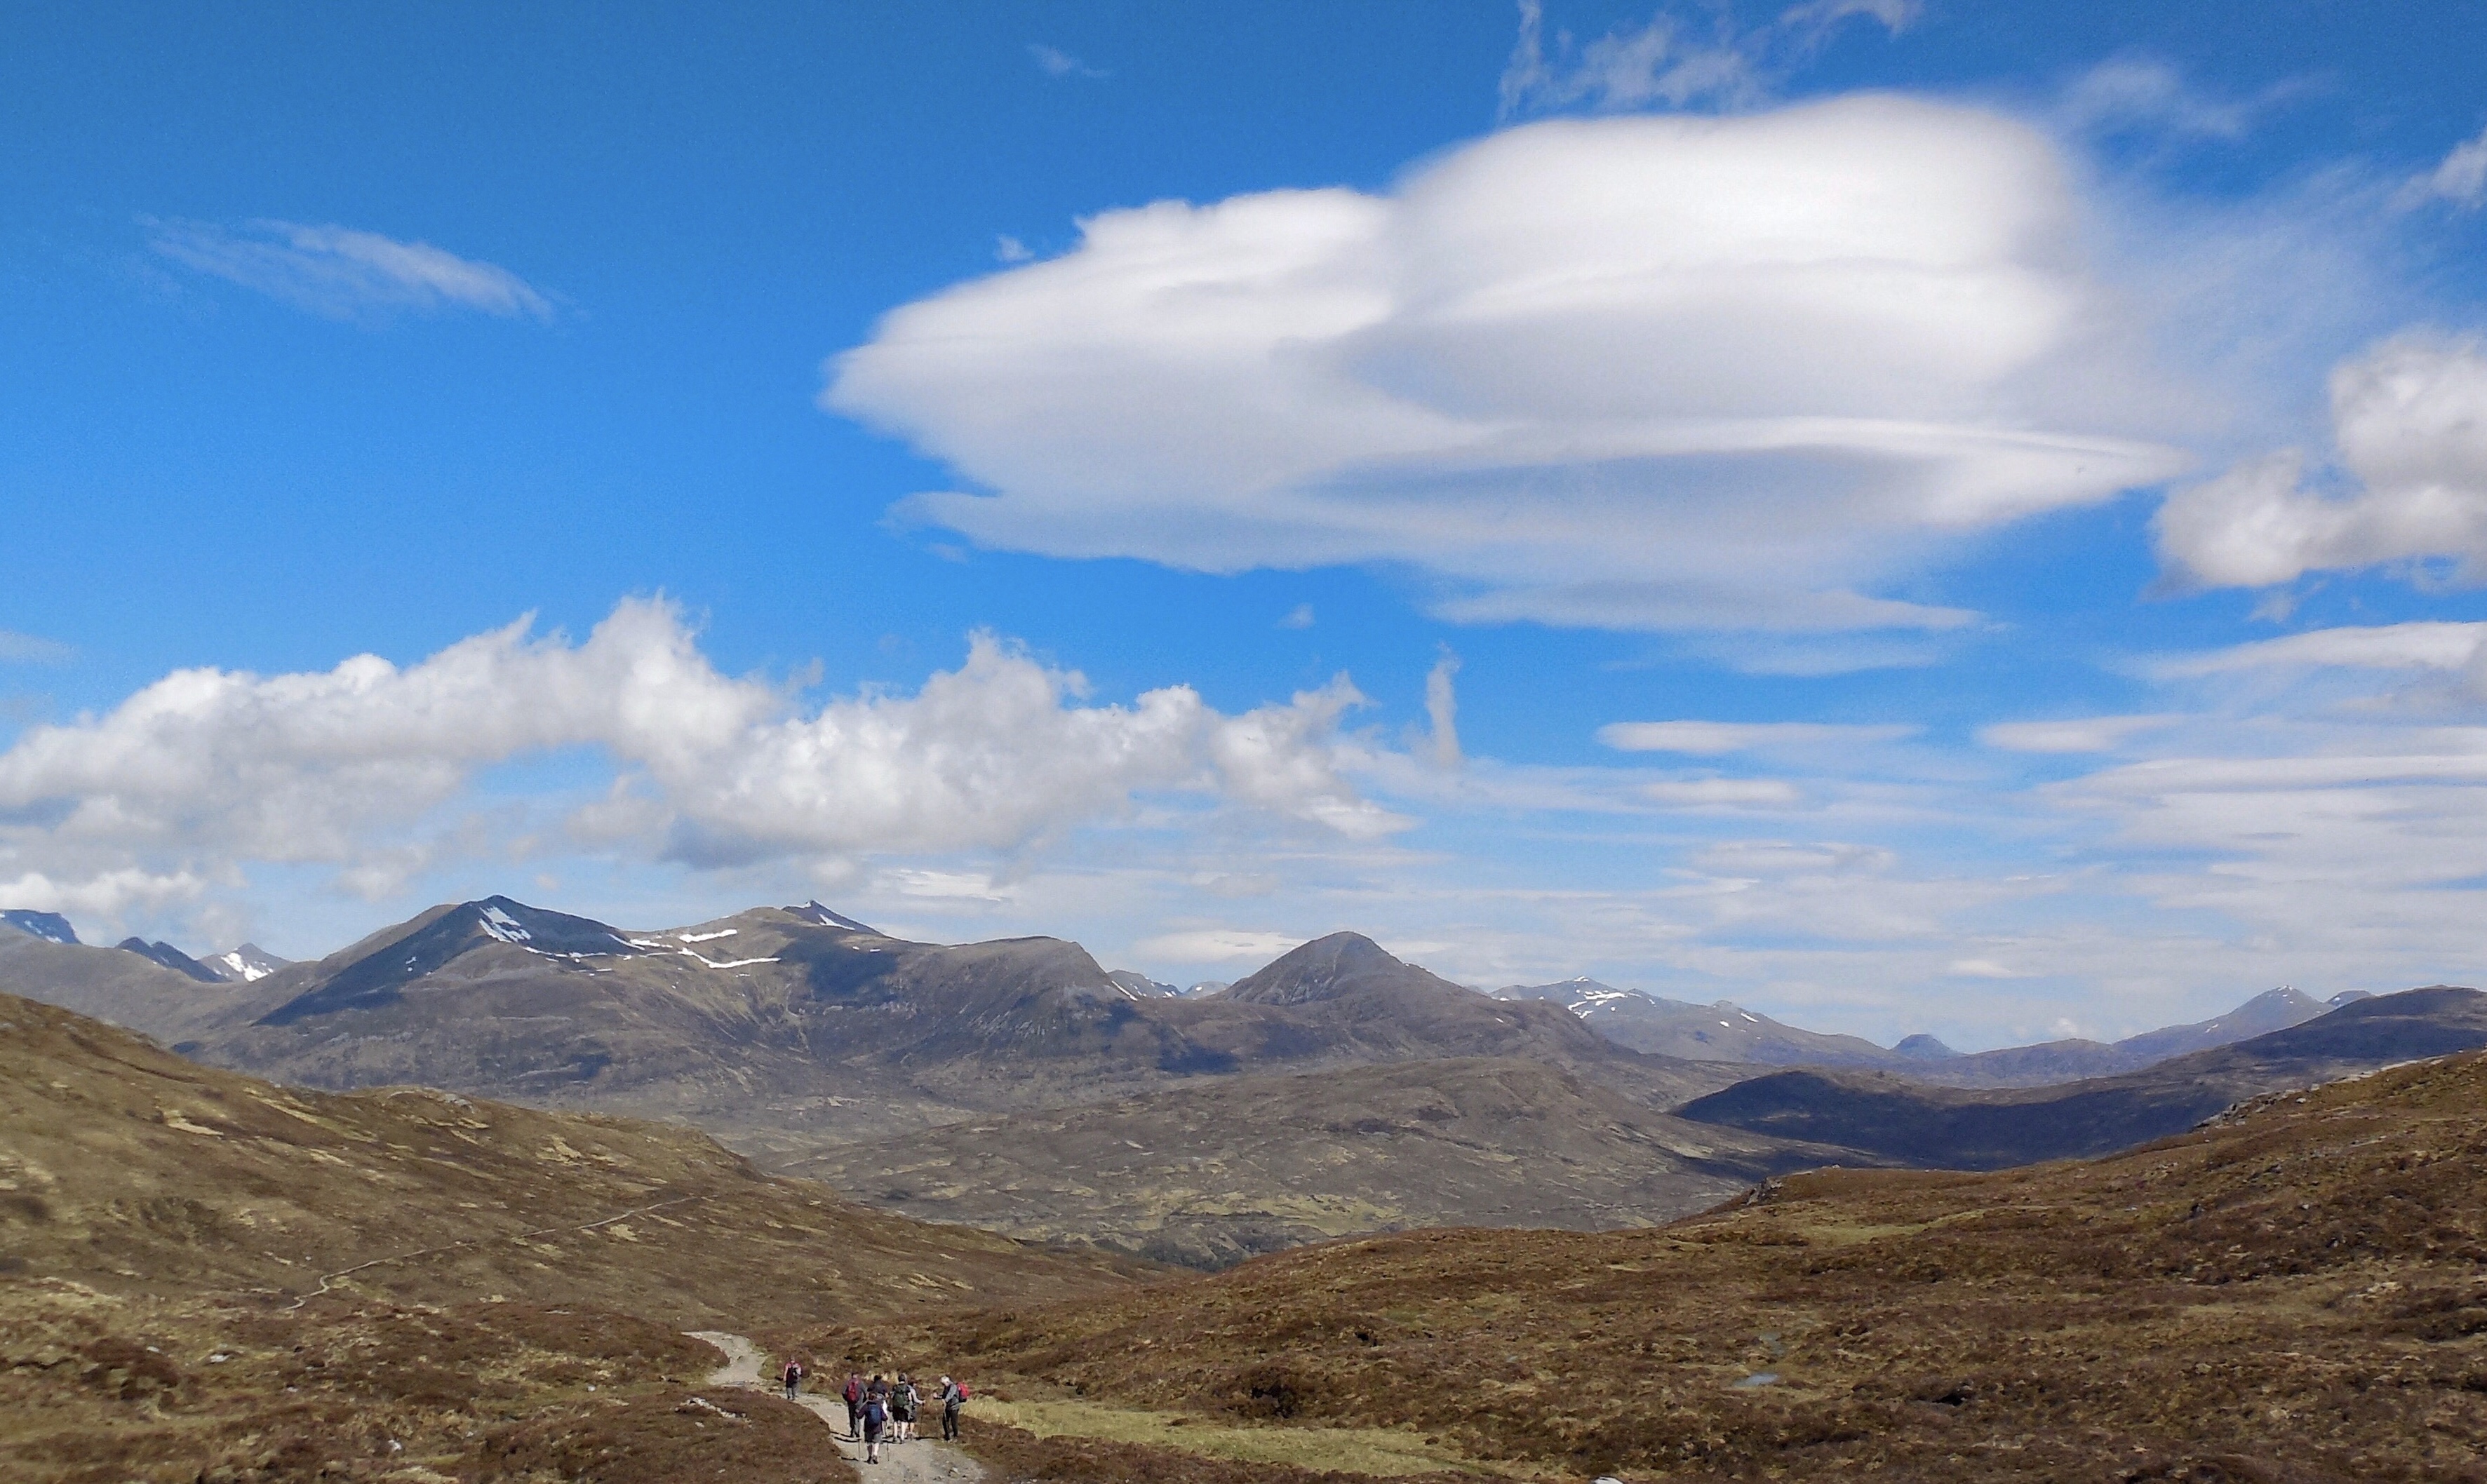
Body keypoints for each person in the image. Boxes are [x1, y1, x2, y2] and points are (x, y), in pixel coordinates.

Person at [862, 1389, 888, 1465]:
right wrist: (885, 1418)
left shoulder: (866, 1406)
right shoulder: (879, 1406)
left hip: (868, 1427)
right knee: (877, 1442)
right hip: (877, 1427)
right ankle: (875, 1454)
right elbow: (884, 1417)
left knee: (869, 1442)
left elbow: (859, 1415)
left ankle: (870, 1456)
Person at [937, 1375, 966, 1441]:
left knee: (954, 1422)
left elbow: (950, 1394)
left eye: (943, 1384)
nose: (943, 1385)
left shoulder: (953, 1387)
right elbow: (944, 1395)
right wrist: (938, 1397)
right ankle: (947, 1436)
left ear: (947, 1382)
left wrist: (945, 1400)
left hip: (954, 1407)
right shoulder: (946, 1387)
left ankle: (955, 1436)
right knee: (945, 1421)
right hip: (948, 1407)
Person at [893, 1373, 918, 1442]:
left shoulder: (895, 1387)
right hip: (903, 1406)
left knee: (895, 1421)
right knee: (903, 1421)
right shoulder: (907, 1388)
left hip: (896, 1406)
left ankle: (895, 1435)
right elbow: (910, 1398)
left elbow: (892, 1396)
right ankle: (902, 1437)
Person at [843, 1372, 864, 1438]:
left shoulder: (848, 1383)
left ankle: (853, 1431)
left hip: (850, 1403)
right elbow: (866, 1393)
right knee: (857, 1416)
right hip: (858, 1403)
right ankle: (857, 1431)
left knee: (851, 1416)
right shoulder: (860, 1383)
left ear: (852, 1376)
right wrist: (863, 1401)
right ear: (857, 1376)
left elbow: (843, 1393)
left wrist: (847, 1399)